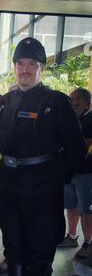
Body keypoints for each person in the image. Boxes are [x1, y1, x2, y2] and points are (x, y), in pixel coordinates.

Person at [0, 37, 86, 276]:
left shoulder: (56, 102)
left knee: (40, 255)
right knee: (13, 246)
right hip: (12, 188)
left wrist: (54, 180)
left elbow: (76, 151)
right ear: (14, 67)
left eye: (31, 64)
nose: (25, 70)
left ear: (41, 68)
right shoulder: (6, 102)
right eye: (20, 64)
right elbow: (1, 144)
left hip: (43, 190)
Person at [57, 88, 92, 258]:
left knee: (87, 209)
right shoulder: (72, 118)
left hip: (86, 172)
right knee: (71, 205)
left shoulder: (90, 118)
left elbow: (83, 144)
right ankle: (72, 236)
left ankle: (88, 242)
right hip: (70, 171)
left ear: (86, 102)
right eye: (71, 99)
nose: (73, 103)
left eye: (77, 99)